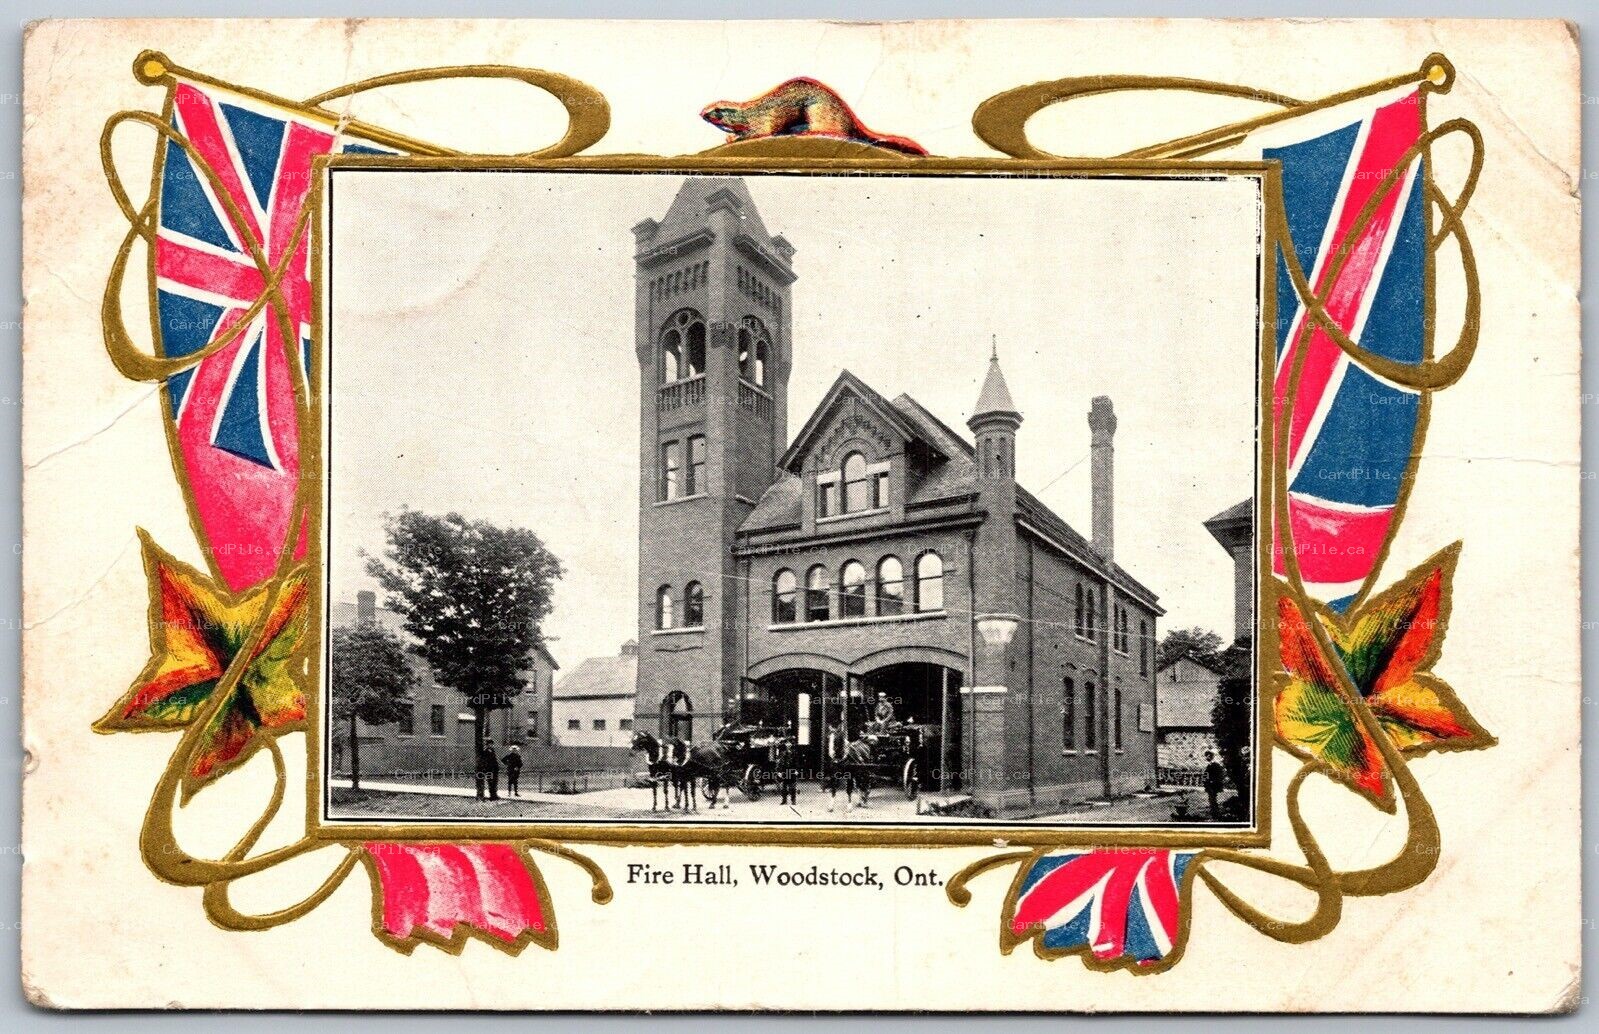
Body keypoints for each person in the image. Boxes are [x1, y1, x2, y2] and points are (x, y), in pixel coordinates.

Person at [776, 736, 798, 806]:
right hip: (784, 771)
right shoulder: (782, 753)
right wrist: (779, 771)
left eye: (789, 743)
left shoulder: (794, 753)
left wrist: (797, 770)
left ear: (791, 744)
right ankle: (784, 800)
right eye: (787, 743)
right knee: (784, 787)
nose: (788, 744)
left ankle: (793, 800)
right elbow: (780, 762)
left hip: (792, 771)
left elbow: (797, 762)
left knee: (792, 787)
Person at [1202, 750, 1225, 819]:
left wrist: (1213, 781)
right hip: (1209, 785)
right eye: (1206, 756)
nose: (1207, 757)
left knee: (1213, 799)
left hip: (1214, 785)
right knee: (1211, 799)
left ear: (1211, 756)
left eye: (1208, 755)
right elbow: (1206, 775)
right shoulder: (1209, 765)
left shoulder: (1216, 765)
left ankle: (1215, 814)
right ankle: (1214, 814)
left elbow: (1220, 775)